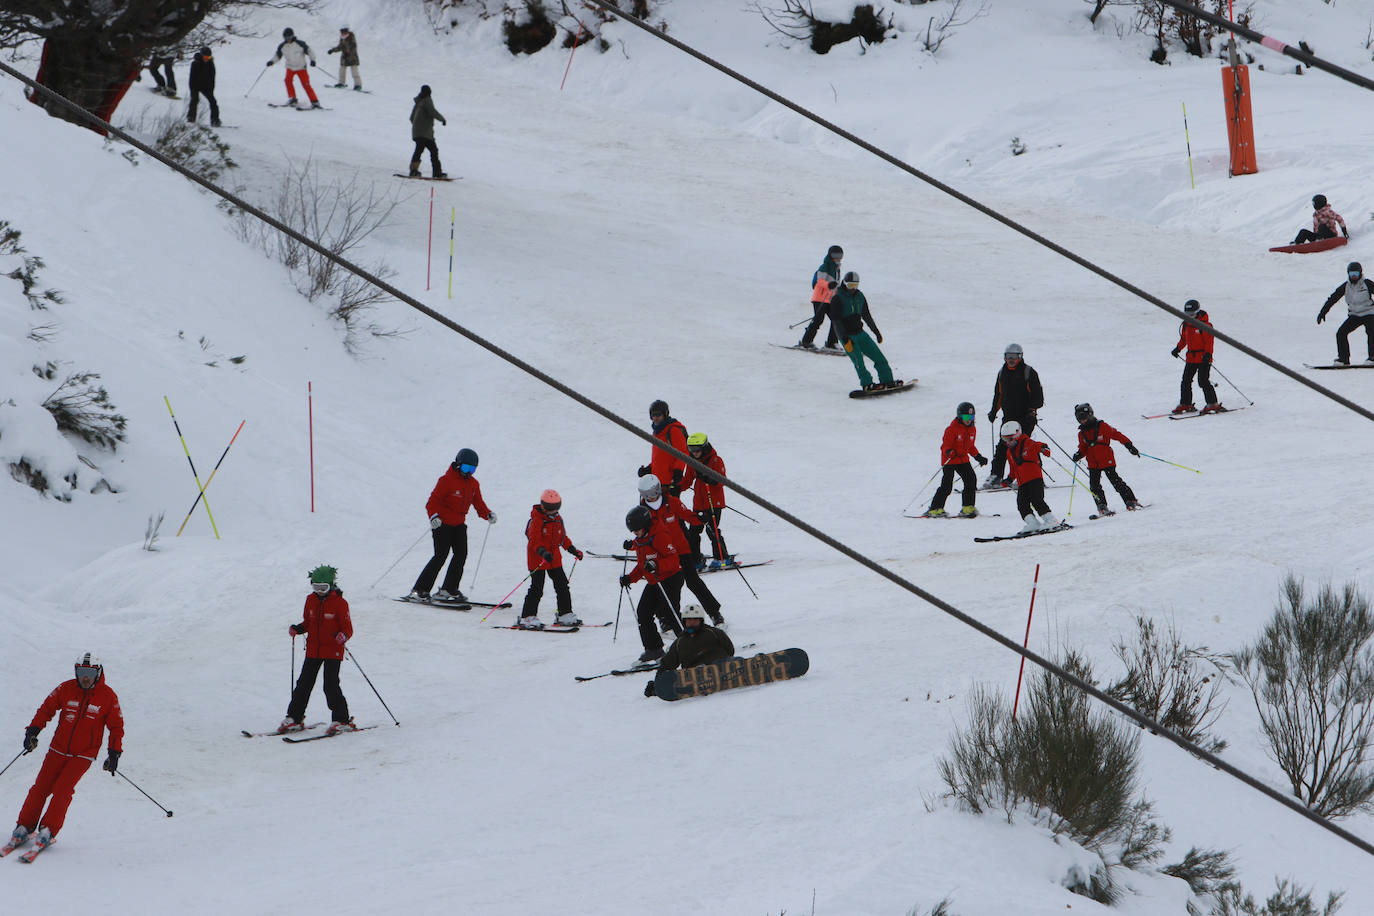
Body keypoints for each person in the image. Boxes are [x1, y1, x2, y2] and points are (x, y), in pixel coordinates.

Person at [8, 654, 123, 854]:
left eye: (89, 673)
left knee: (62, 790)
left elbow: (116, 726)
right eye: (81, 672)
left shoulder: (108, 696)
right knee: (40, 787)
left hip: (84, 754)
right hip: (58, 749)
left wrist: (113, 753)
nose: (85, 678)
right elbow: (46, 709)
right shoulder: (66, 688)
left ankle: (48, 830)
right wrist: (32, 732)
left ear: (98, 673)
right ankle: (25, 826)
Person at [634, 475, 724, 626]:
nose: (650, 497)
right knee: (666, 587)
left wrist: (700, 518)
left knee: (693, 581)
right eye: (645, 494)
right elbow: (641, 532)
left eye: (652, 493)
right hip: (661, 554)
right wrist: (633, 545)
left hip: (680, 549)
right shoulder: (644, 511)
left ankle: (714, 613)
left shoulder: (671, 502)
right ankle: (665, 618)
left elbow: (687, 515)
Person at [409, 448, 495, 602]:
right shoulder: (446, 480)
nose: (468, 472)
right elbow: (432, 502)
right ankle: (420, 590)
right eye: (466, 468)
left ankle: (448, 589)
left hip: (459, 525)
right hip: (442, 524)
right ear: (458, 464)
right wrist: (434, 517)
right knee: (440, 556)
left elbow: (478, 504)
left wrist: (487, 514)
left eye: (472, 469)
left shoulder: (473, 484)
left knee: (461, 555)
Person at [282, 566, 356, 735]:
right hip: (313, 649)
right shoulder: (310, 600)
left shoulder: (340, 603)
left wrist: (343, 636)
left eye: (324, 588)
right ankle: (294, 717)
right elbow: (308, 622)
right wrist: (298, 629)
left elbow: (348, 628)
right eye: (316, 587)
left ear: (332, 585)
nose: (320, 591)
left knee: (330, 685)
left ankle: (341, 720)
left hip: (333, 651)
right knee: (303, 684)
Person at [619, 505, 686, 663]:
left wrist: (656, 565)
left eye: (637, 529)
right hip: (655, 581)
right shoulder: (641, 540)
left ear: (646, 525)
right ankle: (654, 649)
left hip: (671, 578)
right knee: (643, 613)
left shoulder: (659, 536)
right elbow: (643, 564)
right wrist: (630, 578)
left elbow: (674, 560)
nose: (635, 533)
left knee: (670, 613)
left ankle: (687, 645)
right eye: (633, 531)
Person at [518, 489, 583, 629]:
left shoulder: (558, 519)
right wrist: (543, 552)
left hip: (554, 560)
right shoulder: (537, 519)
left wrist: (573, 550)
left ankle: (564, 614)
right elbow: (534, 540)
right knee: (537, 588)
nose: (553, 511)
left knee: (562, 586)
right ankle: (527, 617)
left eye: (555, 508)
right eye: (549, 508)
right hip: (538, 560)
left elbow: (563, 538)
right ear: (543, 506)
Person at [643, 605, 736, 697]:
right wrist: (658, 683)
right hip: (695, 674)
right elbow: (667, 663)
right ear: (684, 621)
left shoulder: (714, 633)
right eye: (689, 620)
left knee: (731, 661)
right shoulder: (680, 642)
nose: (692, 622)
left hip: (720, 666)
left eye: (695, 620)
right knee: (678, 677)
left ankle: (736, 671)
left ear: (701, 620)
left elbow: (730, 649)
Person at [829, 271, 899, 392]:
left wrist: (876, 332)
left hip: (861, 334)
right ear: (844, 284)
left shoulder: (860, 296)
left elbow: (866, 315)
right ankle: (867, 384)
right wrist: (845, 339)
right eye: (850, 285)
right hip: (848, 337)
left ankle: (887, 380)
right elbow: (836, 321)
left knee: (879, 357)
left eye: (855, 286)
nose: (853, 289)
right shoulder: (837, 298)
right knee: (859, 362)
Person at [986, 343, 1044, 488]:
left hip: (1026, 417)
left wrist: (1031, 410)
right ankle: (996, 476)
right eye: (1008, 356)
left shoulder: (1028, 372)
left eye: (1014, 356)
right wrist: (994, 411)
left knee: (1025, 447)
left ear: (1020, 357)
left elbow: (1038, 396)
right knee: (1003, 447)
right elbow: (998, 395)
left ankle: (1035, 478)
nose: (1010, 360)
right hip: (1008, 417)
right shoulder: (1002, 373)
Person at [1069, 403, 1141, 516]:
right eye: (1080, 419)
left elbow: (1117, 435)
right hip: (1093, 463)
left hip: (1106, 460)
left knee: (1116, 481)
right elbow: (1083, 448)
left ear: (1090, 415)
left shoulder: (1102, 426)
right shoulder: (1081, 433)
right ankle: (1101, 506)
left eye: (1084, 418)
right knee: (1094, 486)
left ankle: (1130, 500)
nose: (1083, 421)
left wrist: (1129, 445)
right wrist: (1078, 454)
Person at [679, 432, 733, 569]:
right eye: (691, 450)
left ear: (704, 447)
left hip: (713, 503)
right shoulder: (691, 461)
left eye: (697, 450)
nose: (694, 453)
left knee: (712, 530)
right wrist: (676, 488)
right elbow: (687, 480)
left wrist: (711, 479)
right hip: (698, 503)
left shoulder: (716, 460)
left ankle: (722, 558)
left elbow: (722, 480)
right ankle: (695, 560)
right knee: (693, 532)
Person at [926, 402, 988, 517]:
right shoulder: (952, 429)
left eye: (971, 417)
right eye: (966, 417)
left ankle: (968, 507)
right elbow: (945, 446)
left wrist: (978, 457)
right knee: (947, 485)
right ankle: (935, 508)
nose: (968, 420)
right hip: (950, 460)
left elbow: (970, 446)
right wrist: (949, 452)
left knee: (971, 480)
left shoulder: (972, 429)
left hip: (963, 459)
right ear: (960, 416)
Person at [1001, 420, 1059, 534]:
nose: (1008, 442)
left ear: (1017, 435)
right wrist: (1008, 479)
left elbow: (1040, 446)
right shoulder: (1009, 452)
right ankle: (1033, 523)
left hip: (1034, 479)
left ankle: (1051, 520)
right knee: (1021, 504)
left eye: (1010, 439)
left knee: (1037, 500)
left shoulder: (1028, 443)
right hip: (1022, 482)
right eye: (1005, 439)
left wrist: (1044, 449)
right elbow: (1013, 469)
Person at [1317, 262, 1374, 366]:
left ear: (1360, 273)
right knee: (1341, 333)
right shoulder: (1346, 286)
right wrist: (1323, 312)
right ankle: (1343, 359)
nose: (1354, 276)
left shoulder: (1367, 283)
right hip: (1354, 315)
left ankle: (1372, 357)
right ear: (1348, 273)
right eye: (1352, 273)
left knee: (1372, 333)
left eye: (1356, 273)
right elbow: (1333, 298)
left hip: (1369, 313)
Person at [1171, 299, 1221, 413]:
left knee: (1203, 381)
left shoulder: (1205, 325)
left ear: (1197, 312)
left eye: (1192, 314)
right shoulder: (1186, 325)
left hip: (1203, 358)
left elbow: (1209, 342)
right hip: (1191, 358)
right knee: (1186, 380)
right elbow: (1184, 339)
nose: (1189, 316)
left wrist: (1208, 355)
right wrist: (1177, 349)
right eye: (1187, 314)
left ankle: (1212, 403)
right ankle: (1186, 404)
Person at [637, 399, 689, 493]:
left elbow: (683, 453)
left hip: (670, 483)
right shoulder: (657, 433)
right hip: (657, 483)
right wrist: (649, 469)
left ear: (665, 415)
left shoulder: (673, 430)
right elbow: (660, 457)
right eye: (653, 415)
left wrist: (678, 472)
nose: (655, 418)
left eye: (658, 415)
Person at [798, 244, 843, 350]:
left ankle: (831, 343)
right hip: (820, 298)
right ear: (830, 255)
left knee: (836, 320)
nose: (838, 257)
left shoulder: (837, 269)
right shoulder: (825, 266)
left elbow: (836, 284)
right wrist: (828, 285)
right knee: (818, 320)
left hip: (830, 299)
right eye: (835, 255)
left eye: (840, 255)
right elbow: (820, 281)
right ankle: (806, 341)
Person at [266, 27, 321, 109]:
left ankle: (315, 102)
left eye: (289, 37)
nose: (288, 39)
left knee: (306, 85)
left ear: (292, 36)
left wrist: (312, 60)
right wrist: (272, 61)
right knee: (287, 81)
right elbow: (278, 55)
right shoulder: (282, 46)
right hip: (290, 67)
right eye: (286, 37)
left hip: (301, 67)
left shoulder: (300, 44)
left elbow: (310, 51)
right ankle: (292, 98)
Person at [408, 85, 447, 179]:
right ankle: (436, 172)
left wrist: (417, 126)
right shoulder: (427, 100)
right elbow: (432, 112)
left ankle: (413, 170)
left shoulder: (418, 102)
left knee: (420, 150)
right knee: (432, 151)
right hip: (425, 133)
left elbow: (411, 118)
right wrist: (442, 119)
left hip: (418, 132)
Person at [187, 47, 220, 127]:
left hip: (206, 86)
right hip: (195, 85)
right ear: (202, 56)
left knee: (213, 102)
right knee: (194, 100)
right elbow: (192, 78)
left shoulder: (211, 64)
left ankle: (214, 120)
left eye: (209, 57)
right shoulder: (195, 63)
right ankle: (191, 118)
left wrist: (211, 90)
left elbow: (212, 78)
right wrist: (192, 89)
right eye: (205, 57)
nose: (207, 59)